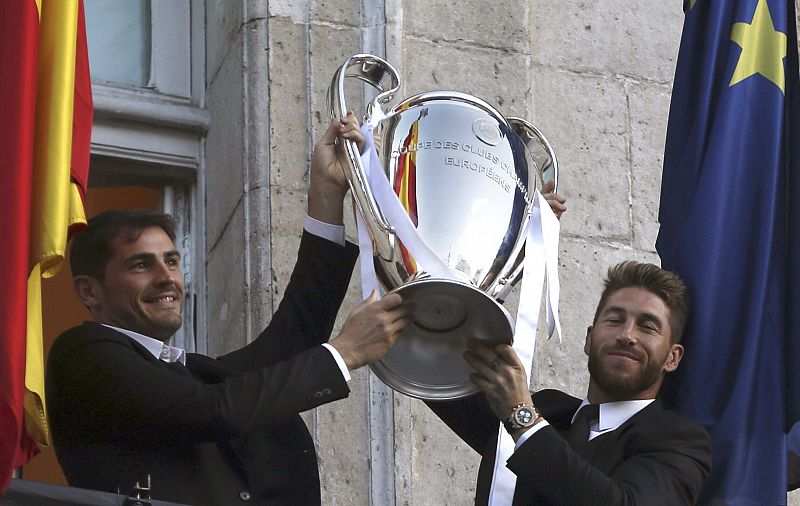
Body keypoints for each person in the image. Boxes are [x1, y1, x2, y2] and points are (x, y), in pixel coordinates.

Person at [45, 113, 412, 505]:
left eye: (171, 261)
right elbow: (216, 410)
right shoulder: (83, 353)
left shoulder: (189, 373)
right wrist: (346, 352)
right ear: (89, 292)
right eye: (140, 264)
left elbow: (292, 341)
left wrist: (325, 194)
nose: (166, 277)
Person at [428, 261, 712, 505]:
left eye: (647, 326)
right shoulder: (548, 409)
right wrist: (506, 263)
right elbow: (439, 376)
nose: (627, 335)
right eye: (614, 320)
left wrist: (523, 419)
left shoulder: (680, 443)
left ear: (672, 358)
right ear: (589, 339)